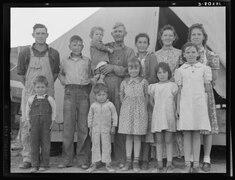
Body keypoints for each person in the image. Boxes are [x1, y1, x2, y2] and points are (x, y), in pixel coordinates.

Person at [17, 23, 60, 169]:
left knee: (45, 126)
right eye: (38, 33)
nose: (40, 36)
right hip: (29, 93)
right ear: (33, 35)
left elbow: (54, 74)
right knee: (27, 124)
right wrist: (30, 88)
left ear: (47, 35)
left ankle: (43, 158)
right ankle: (28, 158)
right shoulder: (25, 52)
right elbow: (22, 75)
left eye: (43, 33)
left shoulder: (54, 53)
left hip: (47, 94)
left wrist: (44, 90)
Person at [99, 22, 135, 168]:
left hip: (122, 87)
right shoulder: (105, 48)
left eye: (121, 31)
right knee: (105, 120)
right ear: (112, 33)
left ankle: (121, 157)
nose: (118, 33)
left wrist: (113, 67)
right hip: (106, 86)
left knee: (120, 122)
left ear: (125, 33)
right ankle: (103, 158)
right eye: (115, 31)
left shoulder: (129, 51)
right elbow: (99, 65)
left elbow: (130, 70)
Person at [57, 35, 95, 169]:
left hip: (83, 92)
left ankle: (83, 159)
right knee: (68, 126)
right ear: (69, 46)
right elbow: (60, 73)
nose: (77, 47)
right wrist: (63, 80)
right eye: (74, 45)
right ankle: (67, 159)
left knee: (83, 127)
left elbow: (91, 77)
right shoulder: (64, 61)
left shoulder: (87, 61)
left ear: (83, 47)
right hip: (69, 92)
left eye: (79, 45)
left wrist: (86, 89)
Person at [174, 42, 212, 173]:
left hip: (199, 105)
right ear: (184, 55)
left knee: (196, 133)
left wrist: (205, 108)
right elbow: (179, 91)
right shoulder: (180, 71)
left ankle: (196, 164)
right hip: (185, 105)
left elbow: (207, 91)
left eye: (193, 52)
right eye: (188, 52)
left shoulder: (204, 69)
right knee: (186, 134)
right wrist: (178, 108)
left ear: (198, 54)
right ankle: (187, 163)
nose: (190, 55)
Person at [187, 23, 220, 172]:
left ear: (204, 36)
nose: (196, 37)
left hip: (205, 94)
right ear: (190, 37)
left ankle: (206, 158)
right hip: (189, 95)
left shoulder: (211, 55)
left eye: (198, 34)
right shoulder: (187, 53)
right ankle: (193, 159)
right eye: (193, 34)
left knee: (207, 128)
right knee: (192, 127)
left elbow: (214, 78)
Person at [155, 24, 184, 165]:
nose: (167, 37)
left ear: (174, 37)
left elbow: (181, 72)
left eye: (170, 35)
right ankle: (161, 158)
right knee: (162, 123)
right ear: (161, 37)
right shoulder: (156, 54)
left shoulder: (180, 53)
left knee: (173, 122)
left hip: (174, 90)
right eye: (165, 35)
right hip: (161, 91)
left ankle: (176, 156)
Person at [118, 57, 149, 172]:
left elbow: (147, 96)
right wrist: (128, 106)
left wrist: (140, 107)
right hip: (127, 112)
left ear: (140, 69)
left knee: (137, 136)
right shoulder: (124, 82)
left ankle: (136, 161)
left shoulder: (144, 82)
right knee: (128, 136)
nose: (133, 71)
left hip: (140, 112)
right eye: (131, 68)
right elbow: (121, 96)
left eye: (136, 68)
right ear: (128, 69)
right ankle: (128, 161)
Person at [148, 62, 178, 173]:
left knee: (169, 140)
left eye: (164, 72)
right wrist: (157, 109)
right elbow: (151, 101)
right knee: (159, 140)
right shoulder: (153, 87)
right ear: (156, 75)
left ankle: (169, 162)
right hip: (158, 117)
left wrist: (174, 112)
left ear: (168, 73)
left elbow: (175, 102)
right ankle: (160, 162)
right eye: (159, 72)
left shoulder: (172, 86)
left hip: (169, 116)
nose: (162, 75)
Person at [134, 33, 158, 170]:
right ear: (136, 44)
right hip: (135, 95)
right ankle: (136, 157)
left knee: (147, 125)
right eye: (140, 42)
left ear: (148, 44)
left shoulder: (152, 56)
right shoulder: (133, 57)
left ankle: (145, 158)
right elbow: (129, 72)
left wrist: (143, 86)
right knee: (138, 125)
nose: (142, 44)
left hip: (147, 92)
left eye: (144, 42)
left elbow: (153, 76)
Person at [25, 76, 56, 173]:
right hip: (34, 124)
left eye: (42, 87)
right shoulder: (31, 99)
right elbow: (27, 112)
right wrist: (28, 122)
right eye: (38, 87)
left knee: (45, 144)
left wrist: (53, 122)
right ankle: (35, 164)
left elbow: (54, 111)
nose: (40, 89)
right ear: (34, 87)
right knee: (34, 144)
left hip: (46, 124)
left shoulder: (50, 99)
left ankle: (44, 164)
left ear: (46, 88)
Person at [86, 83, 118, 173]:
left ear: (107, 95)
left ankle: (108, 164)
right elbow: (90, 117)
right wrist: (90, 128)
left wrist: (113, 126)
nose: (101, 97)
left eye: (103, 94)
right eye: (99, 95)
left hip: (106, 130)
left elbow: (114, 116)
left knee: (106, 146)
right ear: (95, 96)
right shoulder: (93, 106)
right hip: (95, 130)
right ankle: (94, 164)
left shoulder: (110, 105)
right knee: (95, 146)